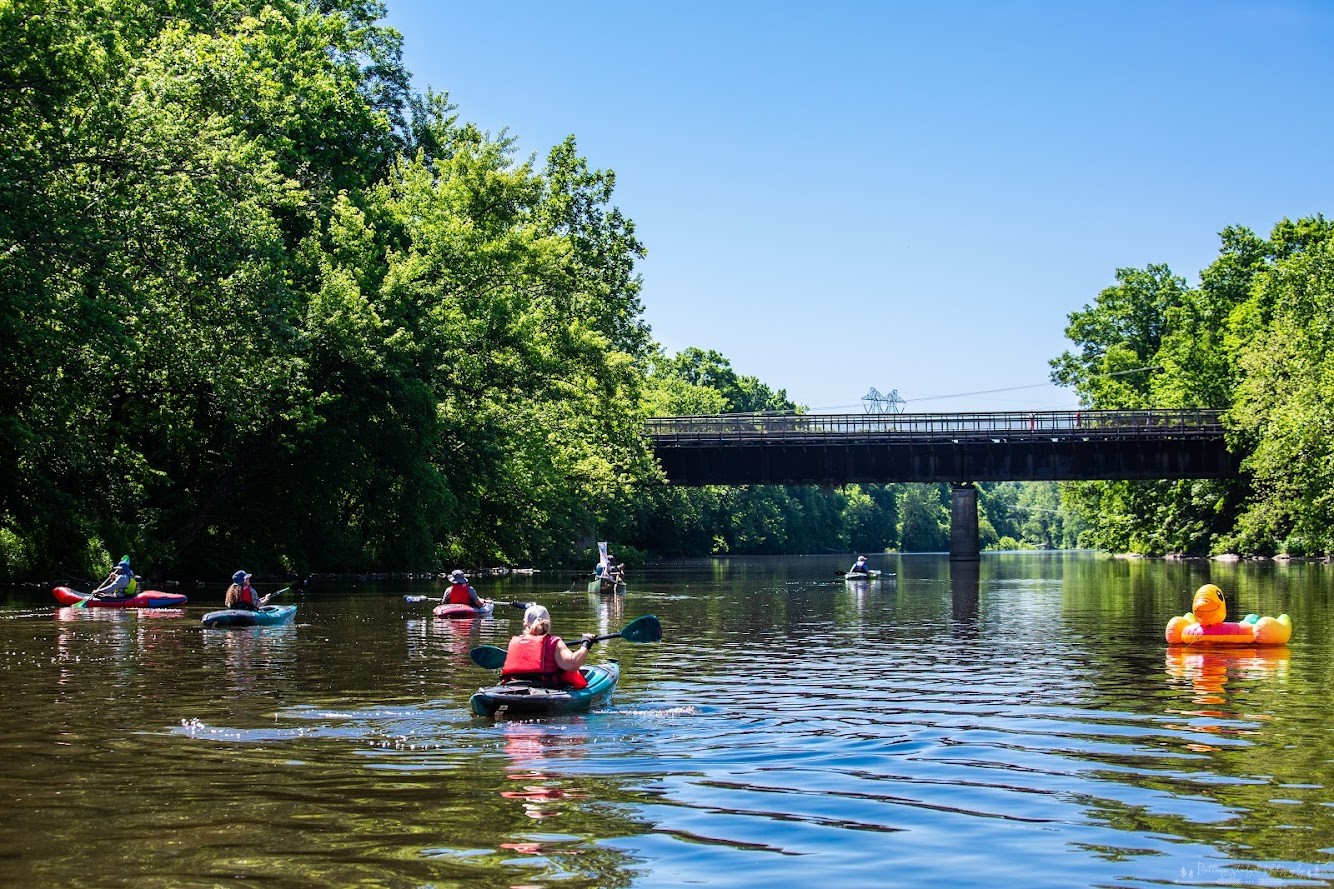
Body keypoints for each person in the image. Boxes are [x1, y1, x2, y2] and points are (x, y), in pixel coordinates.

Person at [500, 604, 595, 689]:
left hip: (513, 687)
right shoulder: (553, 642)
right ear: (548, 622)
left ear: (525, 624)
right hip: (547, 688)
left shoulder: (514, 642)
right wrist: (586, 643)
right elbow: (573, 663)